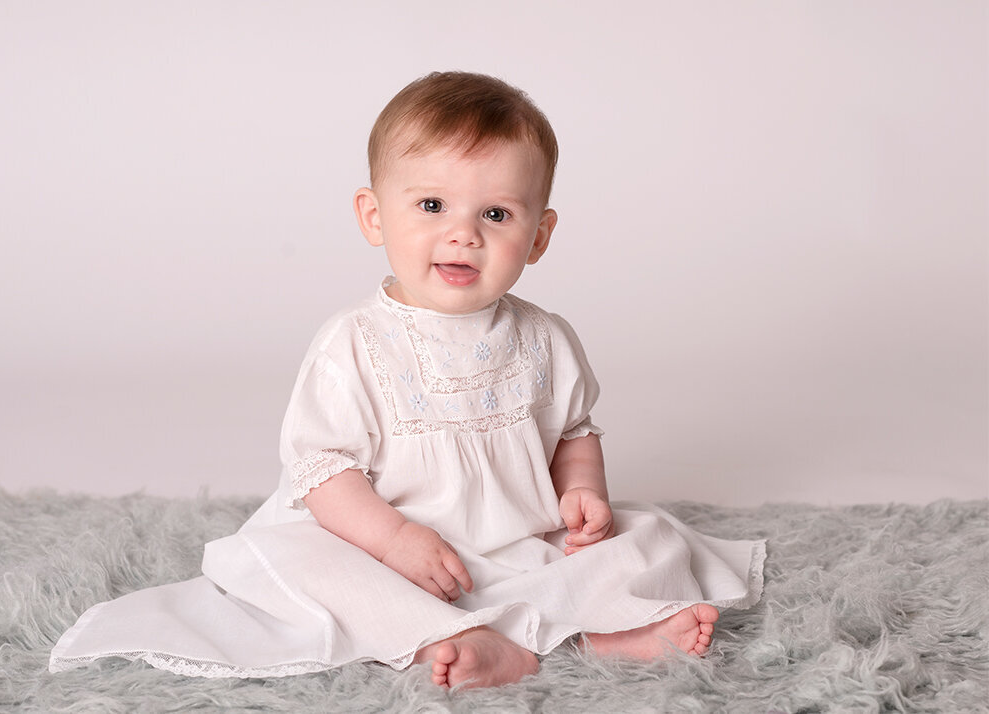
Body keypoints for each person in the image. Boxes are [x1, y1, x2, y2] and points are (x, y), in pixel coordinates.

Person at [50, 71, 765, 689]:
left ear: (539, 236)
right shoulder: (354, 343)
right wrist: (394, 541)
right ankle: (455, 638)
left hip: (519, 547)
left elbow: (574, 431)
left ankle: (599, 638)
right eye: (432, 206)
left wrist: (583, 492)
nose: (463, 234)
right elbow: (323, 471)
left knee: (651, 540)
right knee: (291, 561)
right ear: (373, 215)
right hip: (385, 550)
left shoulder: (544, 337)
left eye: (495, 214)